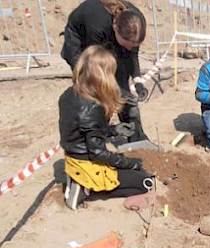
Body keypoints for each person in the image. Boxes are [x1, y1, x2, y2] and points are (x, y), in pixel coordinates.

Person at [59, 45, 153, 210]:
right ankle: (85, 190)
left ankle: (80, 181)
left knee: (130, 171)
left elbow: (82, 132)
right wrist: (130, 163)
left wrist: (114, 130)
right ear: (102, 75)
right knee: (145, 182)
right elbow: (98, 153)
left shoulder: (68, 94)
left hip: (73, 157)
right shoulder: (94, 107)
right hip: (87, 164)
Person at [61, 0, 149, 142]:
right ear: (116, 30)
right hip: (80, 43)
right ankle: (95, 135)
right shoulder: (96, 23)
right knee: (96, 89)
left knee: (124, 90)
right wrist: (116, 91)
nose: (130, 48)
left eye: (134, 45)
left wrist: (138, 82)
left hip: (108, 39)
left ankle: (135, 136)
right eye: (128, 45)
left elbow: (132, 55)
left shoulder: (137, 24)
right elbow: (98, 68)